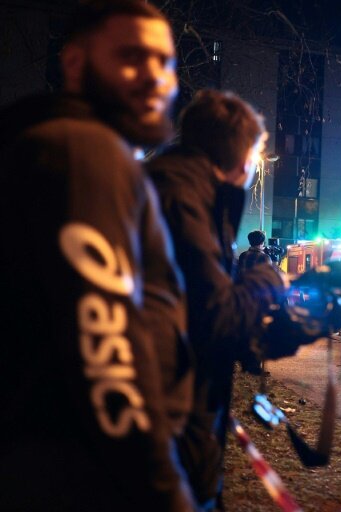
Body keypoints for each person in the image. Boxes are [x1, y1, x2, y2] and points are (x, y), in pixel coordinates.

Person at [0, 1, 195, 510]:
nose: (155, 77)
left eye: (164, 62)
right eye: (132, 56)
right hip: (82, 481)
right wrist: (164, 494)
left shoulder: (54, 144)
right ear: (75, 63)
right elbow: (107, 354)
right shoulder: (84, 152)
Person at [147, 89, 326, 510]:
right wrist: (267, 277)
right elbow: (215, 318)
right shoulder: (180, 201)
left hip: (184, 440)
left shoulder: (182, 195)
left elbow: (193, 328)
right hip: (164, 449)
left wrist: (282, 335)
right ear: (244, 158)